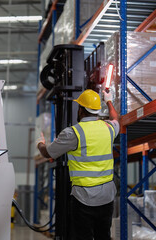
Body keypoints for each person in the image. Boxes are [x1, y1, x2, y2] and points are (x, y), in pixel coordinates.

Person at [37, 89, 119, 240]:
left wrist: (40, 144)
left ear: (80, 110)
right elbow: (116, 119)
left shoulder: (73, 133)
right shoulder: (108, 128)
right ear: (97, 111)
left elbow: (48, 153)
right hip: (107, 197)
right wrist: (109, 100)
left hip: (84, 198)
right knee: (104, 236)